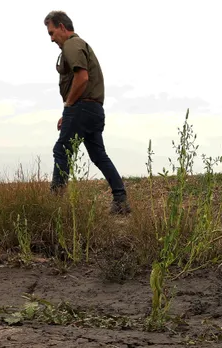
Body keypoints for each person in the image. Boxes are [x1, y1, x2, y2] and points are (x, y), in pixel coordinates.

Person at [44, 10, 130, 214]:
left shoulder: (72, 45)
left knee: (61, 150)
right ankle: (120, 200)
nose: (51, 39)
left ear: (62, 27)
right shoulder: (79, 45)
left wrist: (68, 107)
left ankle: (54, 205)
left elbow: (81, 78)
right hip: (93, 110)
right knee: (99, 155)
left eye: (52, 33)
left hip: (82, 108)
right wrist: (67, 112)